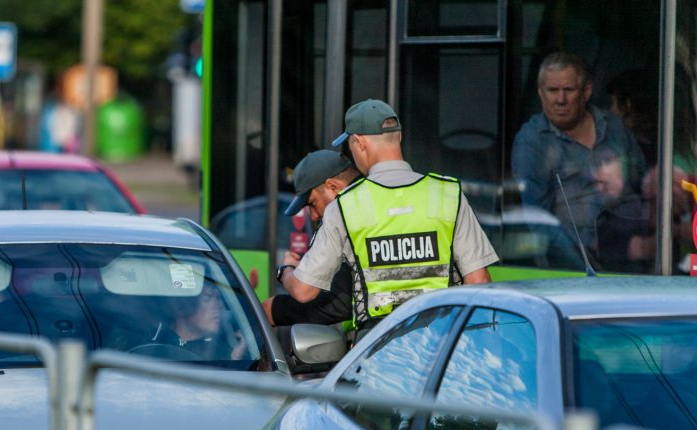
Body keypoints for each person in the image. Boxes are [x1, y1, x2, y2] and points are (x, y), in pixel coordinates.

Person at [277, 99, 498, 334]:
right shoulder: (447, 194)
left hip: (377, 350)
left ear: (360, 143)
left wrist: (287, 271)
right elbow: (479, 282)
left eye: (350, 146)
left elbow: (303, 291)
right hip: (438, 343)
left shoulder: (345, 206)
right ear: (399, 137)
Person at [511, 51, 646, 254]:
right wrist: (578, 262)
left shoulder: (615, 126)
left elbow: (642, 183)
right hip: (584, 260)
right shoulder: (532, 142)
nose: (560, 99)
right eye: (552, 90)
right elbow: (538, 221)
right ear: (540, 93)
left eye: (568, 90)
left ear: (587, 91)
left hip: (638, 246)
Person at [262, 150, 359, 326]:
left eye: (313, 203)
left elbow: (304, 291)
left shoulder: (342, 214)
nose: (314, 216)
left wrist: (286, 271)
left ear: (333, 187)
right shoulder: (375, 201)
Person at [143, 283, 246, 360]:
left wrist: (236, 358)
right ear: (180, 307)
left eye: (218, 298)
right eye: (208, 298)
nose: (218, 305)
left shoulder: (223, 351)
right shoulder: (146, 340)